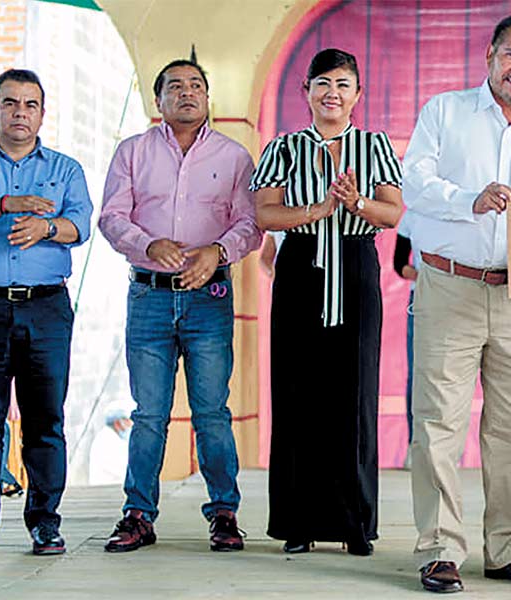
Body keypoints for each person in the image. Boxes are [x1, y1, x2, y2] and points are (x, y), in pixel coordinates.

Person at [402, 14, 511, 593]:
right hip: (449, 286)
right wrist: (467, 200)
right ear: (490, 57)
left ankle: (506, 549)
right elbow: (413, 183)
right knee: (437, 422)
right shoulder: (444, 112)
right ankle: (440, 550)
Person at [99, 58, 261, 553]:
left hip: (209, 299)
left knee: (212, 412)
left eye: (195, 86)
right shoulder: (132, 152)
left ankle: (225, 513)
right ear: (158, 100)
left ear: (208, 97)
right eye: (175, 86)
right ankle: (138, 515)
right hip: (148, 296)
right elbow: (111, 217)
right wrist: (147, 244)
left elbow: (250, 224)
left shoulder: (234, 156)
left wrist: (218, 252)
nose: (186, 93)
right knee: (149, 414)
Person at [251, 48, 403, 556]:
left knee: (355, 394)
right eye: (322, 83)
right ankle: (298, 523)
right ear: (307, 92)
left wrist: (355, 202)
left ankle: (356, 523)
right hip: (301, 267)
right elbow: (266, 215)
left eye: (342, 84)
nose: (331, 93)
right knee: (297, 392)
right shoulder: (284, 147)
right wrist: (317, 209)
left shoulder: (374, 145)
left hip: (356, 268)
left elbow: (391, 214)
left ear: (358, 94)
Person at [0, 69, 93, 557]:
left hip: (46, 308)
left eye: (30, 104)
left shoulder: (65, 169)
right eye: (10, 103)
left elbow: (81, 225)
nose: (20, 113)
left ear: (42, 114)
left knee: (46, 418)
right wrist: (6, 204)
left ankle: (45, 522)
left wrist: (46, 228)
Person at [392, 213, 419, 468]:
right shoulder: (412, 216)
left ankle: (448, 447)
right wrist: (424, 275)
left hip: (462, 294)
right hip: (422, 297)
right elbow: (399, 263)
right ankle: (415, 443)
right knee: (417, 373)